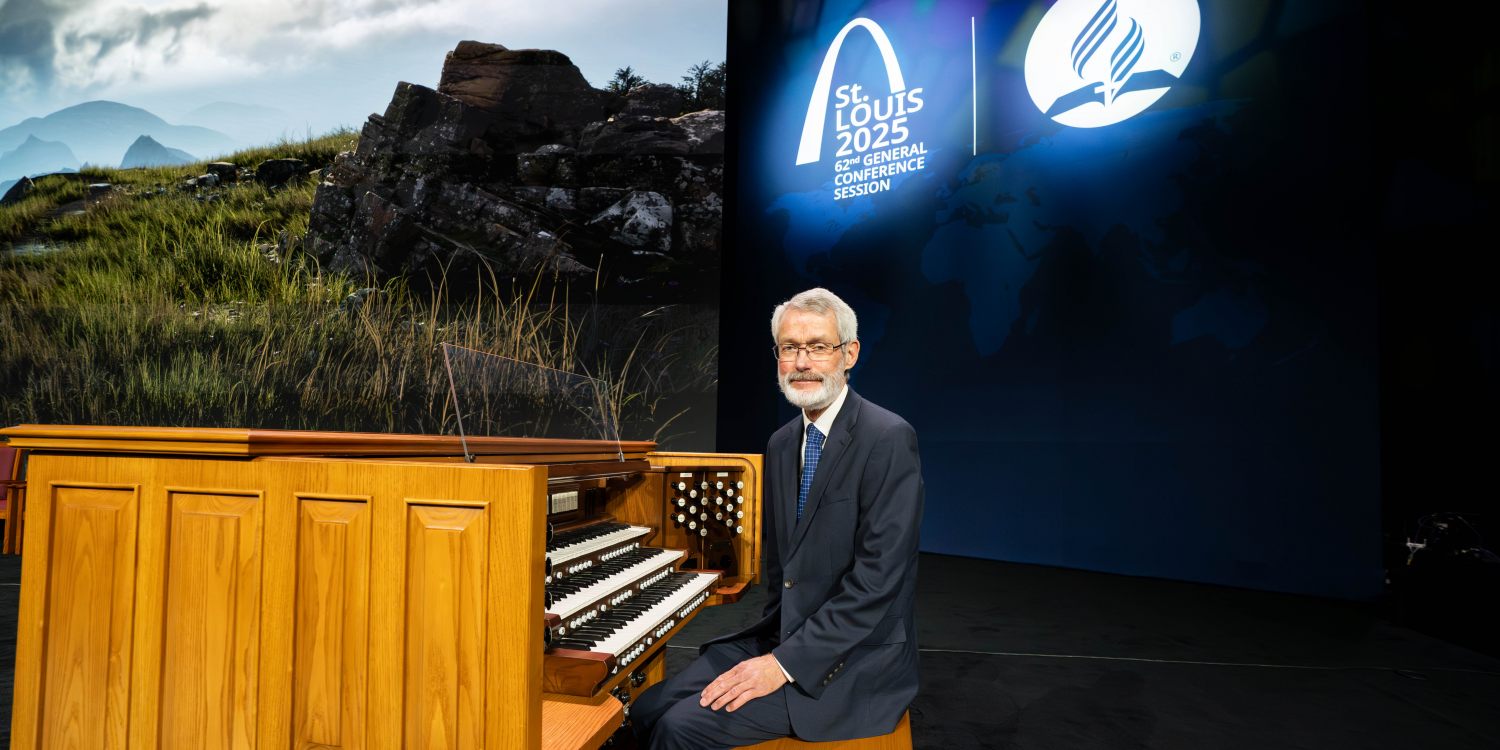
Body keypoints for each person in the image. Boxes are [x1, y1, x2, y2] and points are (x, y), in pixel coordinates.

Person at [632, 287, 924, 748]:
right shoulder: (783, 442)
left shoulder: (887, 438)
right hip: (784, 636)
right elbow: (783, 571)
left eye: (818, 347)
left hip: (855, 661)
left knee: (679, 728)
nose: (802, 362)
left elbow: (877, 584)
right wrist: (772, 651)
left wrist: (782, 665)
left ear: (849, 354)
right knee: (646, 708)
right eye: (790, 348)